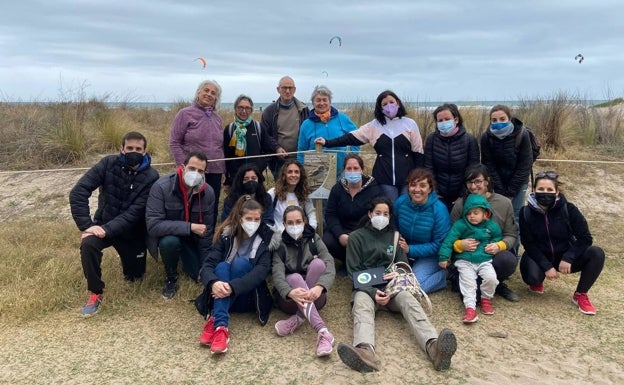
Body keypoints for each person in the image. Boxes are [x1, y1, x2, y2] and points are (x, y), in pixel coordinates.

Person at [337, 196, 457, 373]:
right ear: (370, 214)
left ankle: (433, 346)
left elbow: (403, 266)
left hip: (393, 288)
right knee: (361, 305)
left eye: (386, 214)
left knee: (409, 300)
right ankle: (365, 351)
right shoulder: (355, 238)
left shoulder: (395, 237)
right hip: (366, 289)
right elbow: (354, 273)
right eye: (378, 213)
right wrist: (372, 292)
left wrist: (398, 274)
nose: (382, 217)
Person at [69, 131, 159, 317]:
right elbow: (79, 191)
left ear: (145, 151)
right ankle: (96, 292)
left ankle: (129, 263)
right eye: (129, 148)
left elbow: (135, 213)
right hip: (103, 224)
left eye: (138, 149)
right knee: (88, 244)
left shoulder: (152, 176)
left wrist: (106, 229)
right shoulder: (108, 163)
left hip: (131, 232)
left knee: (135, 278)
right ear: (121, 148)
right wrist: (87, 225)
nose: (133, 151)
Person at [519, 171, 605, 315]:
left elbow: (585, 238)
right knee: (532, 277)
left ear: (557, 191)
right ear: (534, 190)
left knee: (596, 253)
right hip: (541, 256)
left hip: (565, 257)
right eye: (541, 189)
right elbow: (528, 243)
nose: (545, 193)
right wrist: (546, 266)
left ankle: (580, 294)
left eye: (549, 190)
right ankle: (538, 280)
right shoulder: (525, 212)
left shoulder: (569, 209)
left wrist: (568, 257)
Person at [197, 196, 274, 354]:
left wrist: (232, 287)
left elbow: (260, 273)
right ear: (240, 218)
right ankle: (221, 327)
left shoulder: (266, 241)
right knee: (222, 266)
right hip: (221, 292)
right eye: (249, 218)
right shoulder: (226, 236)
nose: (253, 222)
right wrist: (213, 283)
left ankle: (215, 318)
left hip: (248, 297)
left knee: (241, 264)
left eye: (257, 219)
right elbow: (207, 266)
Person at [315, 90, 423, 201]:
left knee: (406, 209)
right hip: (385, 178)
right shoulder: (374, 126)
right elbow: (351, 137)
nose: (389, 106)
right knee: (391, 209)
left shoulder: (410, 124)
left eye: (391, 102)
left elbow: (418, 151)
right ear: (380, 108)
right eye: (384, 104)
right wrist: (327, 142)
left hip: (408, 178)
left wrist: (418, 177)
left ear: (398, 103)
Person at [146, 151, 215, 300]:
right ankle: (171, 277)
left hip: (192, 238)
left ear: (205, 173)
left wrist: (206, 268)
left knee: (199, 273)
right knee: (169, 243)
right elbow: (153, 225)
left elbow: (206, 233)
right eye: (192, 168)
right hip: (169, 236)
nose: (195, 173)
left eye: (200, 171)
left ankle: (190, 261)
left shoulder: (208, 192)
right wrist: (189, 227)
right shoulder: (161, 187)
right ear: (183, 167)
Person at [450, 164, 520, 302]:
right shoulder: (460, 204)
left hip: (491, 254)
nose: (473, 186)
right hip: (467, 256)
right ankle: (466, 283)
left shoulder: (504, 203)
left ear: (487, 181)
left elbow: (511, 234)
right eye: (470, 182)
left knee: (508, 260)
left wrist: (500, 245)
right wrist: (460, 244)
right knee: (474, 300)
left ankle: (497, 284)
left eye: (478, 181)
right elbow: (451, 234)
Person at [272, 206, 336, 357]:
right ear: (284, 224)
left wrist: (320, 287)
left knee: (319, 264)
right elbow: (277, 274)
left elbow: (329, 263)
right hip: (289, 301)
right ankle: (323, 331)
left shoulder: (314, 238)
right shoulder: (279, 244)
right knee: (294, 277)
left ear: (305, 221)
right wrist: (289, 292)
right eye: (290, 222)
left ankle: (299, 318)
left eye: (298, 221)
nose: (295, 226)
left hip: (316, 297)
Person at [169, 80, 225, 225]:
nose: (209, 94)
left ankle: (208, 241)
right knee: (190, 206)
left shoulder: (217, 118)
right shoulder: (185, 113)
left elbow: (219, 146)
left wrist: (223, 170)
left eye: (213, 93)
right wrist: (184, 167)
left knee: (210, 208)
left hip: (215, 171)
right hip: (193, 171)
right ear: (198, 92)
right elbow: (174, 142)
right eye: (206, 90)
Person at [439, 194, 501, 323]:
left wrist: (494, 244)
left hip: (484, 260)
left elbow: (497, 236)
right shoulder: (460, 225)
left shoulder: (491, 226)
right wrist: (444, 257)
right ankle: (470, 309)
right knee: (468, 283)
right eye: (469, 213)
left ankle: (486, 299)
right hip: (465, 260)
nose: (472, 216)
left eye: (476, 213)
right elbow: (449, 241)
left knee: (491, 278)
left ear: (485, 214)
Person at [394, 168, 451, 293]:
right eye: (413, 185)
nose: (417, 189)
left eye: (422, 185)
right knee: (389, 279)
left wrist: (411, 250)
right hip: (403, 252)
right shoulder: (400, 202)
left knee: (414, 288)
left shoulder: (439, 210)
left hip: (430, 256)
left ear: (430, 189)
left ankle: (445, 275)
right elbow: (394, 227)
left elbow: (439, 244)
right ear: (408, 187)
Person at [323, 154, 381, 266]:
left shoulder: (373, 189)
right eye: (349, 168)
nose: (352, 171)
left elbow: (377, 214)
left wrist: (357, 236)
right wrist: (340, 234)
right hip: (343, 230)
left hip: (364, 232)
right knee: (327, 241)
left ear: (362, 170)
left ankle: (360, 262)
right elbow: (330, 214)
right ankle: (346, 262)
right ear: (344, 170)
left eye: (356, 168)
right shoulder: (337, 189)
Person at [480, 104, 532, 223]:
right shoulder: (486, 137)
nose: (498, 122)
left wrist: (510, 192)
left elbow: (525, 165)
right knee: (496, 216)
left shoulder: (522, 134)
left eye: (502, 119)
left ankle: (513, 242)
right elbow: (488, 165)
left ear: (509, 118)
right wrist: (500, 190)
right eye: (494, 120)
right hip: (496, 183)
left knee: (515, 217)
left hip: (518, 182)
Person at [425, 103, 480, 211]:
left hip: (462, 195)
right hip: (438, 195)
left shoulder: (469, 140)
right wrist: (434, 191)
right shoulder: (432, 139)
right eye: (440, 121)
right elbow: (428, 167)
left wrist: (463, 194)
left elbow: (473, 170)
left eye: (447, 119)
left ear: (456, 120)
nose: (443, 122)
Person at [297, 85, 359, 179]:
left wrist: (351, 158)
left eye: (325, 100)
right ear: (313, 102)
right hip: (316, 174)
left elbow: (357, 137)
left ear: (330, 101)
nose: (321, 103)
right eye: (318, 100)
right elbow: (301, 150)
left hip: (341, 172)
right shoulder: (306, 124)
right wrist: (302, 171)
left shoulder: (342, 118)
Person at [261, 76, 310, 178]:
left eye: (290, 88)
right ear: (278, 90)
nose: (287, 91)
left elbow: (309, 132)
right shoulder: (269, 111)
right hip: (279, 161)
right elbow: (265, 135)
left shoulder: (304, 109)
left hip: (300, 159)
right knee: (281, 191)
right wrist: (276, 148)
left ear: (294, 90)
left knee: (299, 191)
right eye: (284, 88)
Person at [223, 95, 271, 193]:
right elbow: (226, 156)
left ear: (251, 110)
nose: (244, 111)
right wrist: (227, 181)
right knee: (237, 207)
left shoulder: (258, 127)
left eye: (247, 108)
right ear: (235, 109)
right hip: (236, 179)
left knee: (257, 206)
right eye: (240, 107)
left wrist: (259, 167)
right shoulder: (230, 129)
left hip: (255, 177)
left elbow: (268, 151)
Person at [267, 159, 317, 233]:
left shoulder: (304, 193)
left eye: (296, 172)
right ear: (284, 175)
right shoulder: (273, 193)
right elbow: (266, 218)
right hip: (278, 238)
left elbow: (311, 212)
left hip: (299, 236)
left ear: (301, 175)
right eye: (290, 172)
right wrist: (275, 234)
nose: (293, 175)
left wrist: (311, 228)